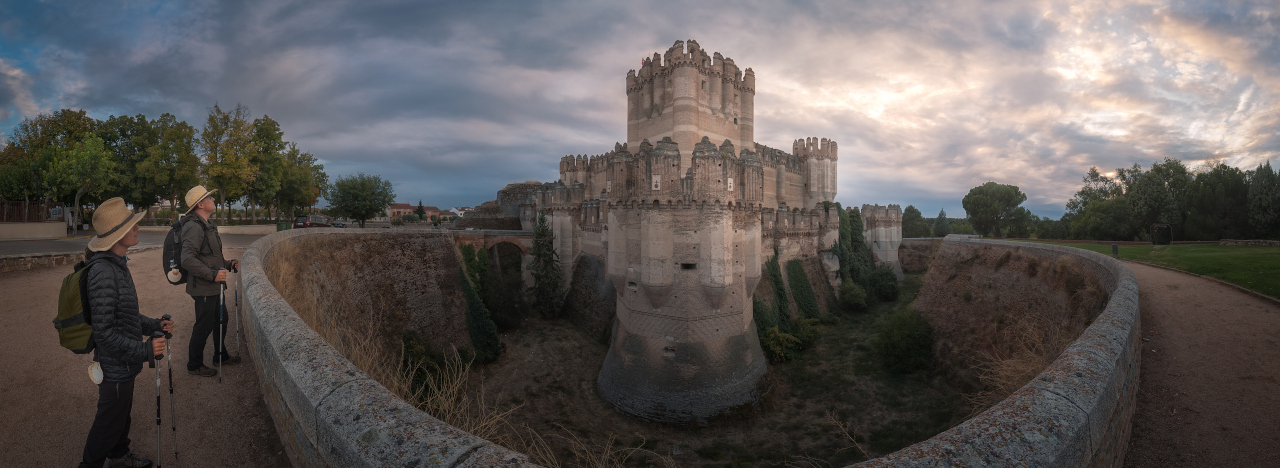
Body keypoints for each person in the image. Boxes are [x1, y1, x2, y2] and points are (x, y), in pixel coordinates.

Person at [79, 197, 176, 468]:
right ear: (117, 235)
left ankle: (119, 457)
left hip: (124, 362)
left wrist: (155, 325)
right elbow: (104, 332)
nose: (137, 228)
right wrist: (144, 350)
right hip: (115, 366)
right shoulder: (103, 271)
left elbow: (127, 317)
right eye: (131, 225)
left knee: (121, 417)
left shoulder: (117, 264)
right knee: (108, 423)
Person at [180, 185, 241, 377]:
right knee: (204, 326)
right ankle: (194, 364)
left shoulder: (209, 225)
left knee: (222, 320)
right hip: (204, 288)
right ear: (200, 204)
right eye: (209, 198)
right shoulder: (193, 227)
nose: (213, 200)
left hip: (215, 287)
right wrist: (212, 275)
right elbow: (187, 259)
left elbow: (211, 257)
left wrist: (228, 264)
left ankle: (220, 356)